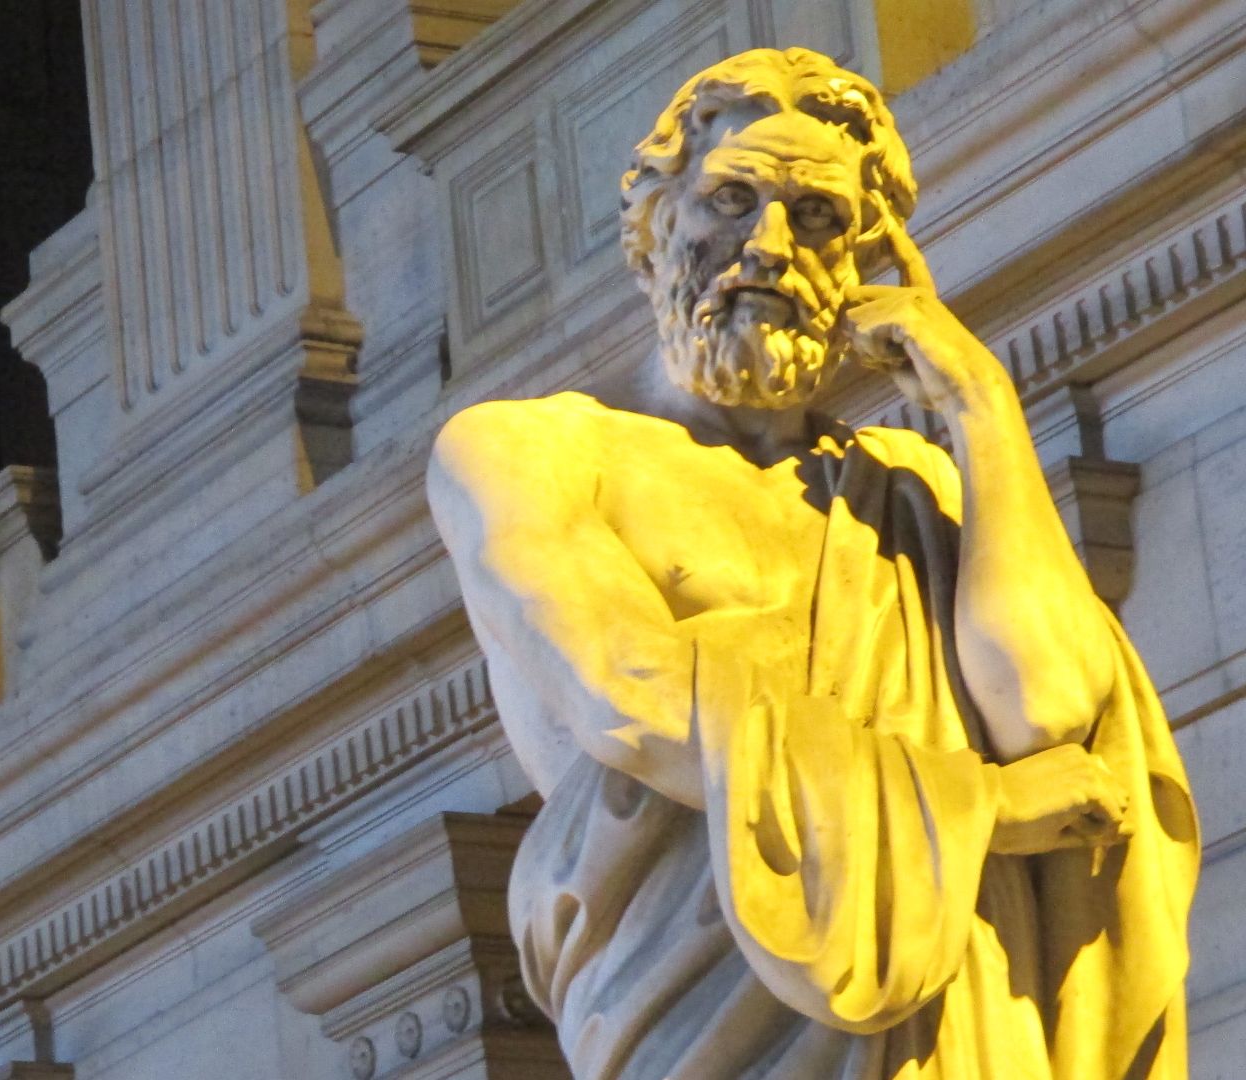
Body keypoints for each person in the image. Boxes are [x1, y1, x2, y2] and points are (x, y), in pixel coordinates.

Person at [426, 47, 1198, 1079]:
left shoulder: (916, 487)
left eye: (820, 217)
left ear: (864, 261)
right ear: (657, 229)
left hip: (954, 1012)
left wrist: (980, 405)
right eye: (731, 201)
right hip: (695, 1015)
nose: (770, 246)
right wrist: (989, 809)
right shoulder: (534, 454)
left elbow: (1051, 710)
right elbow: (627, 696)